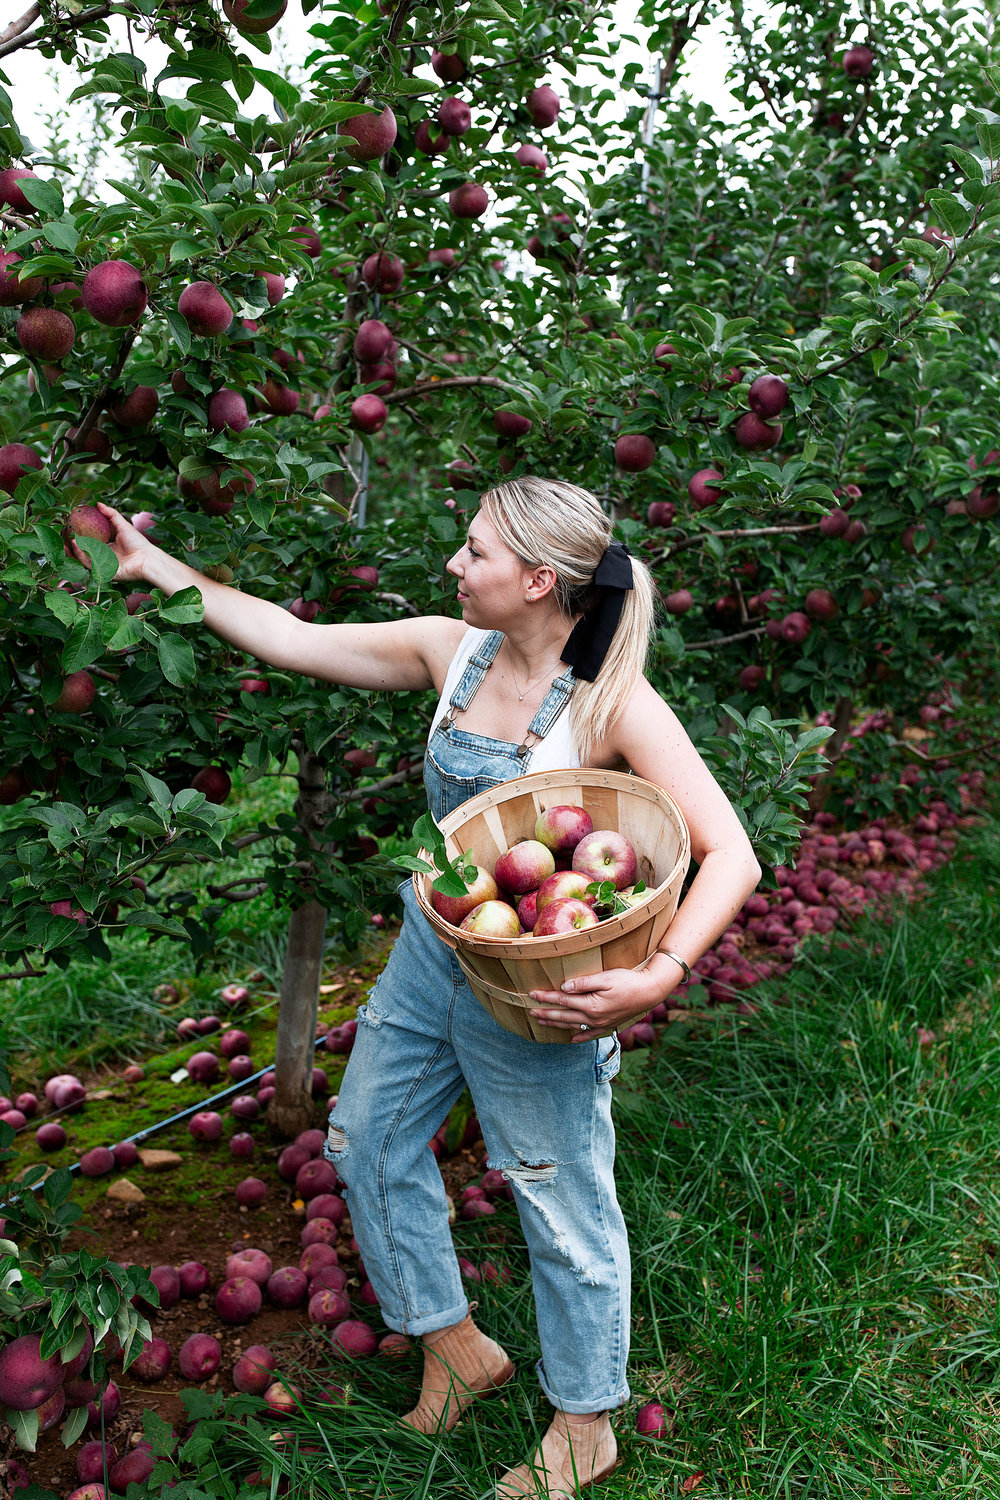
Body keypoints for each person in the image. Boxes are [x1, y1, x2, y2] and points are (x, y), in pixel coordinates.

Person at [89, 477, 760, 1499]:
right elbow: (286, 632)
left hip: (540, 991)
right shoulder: (449, 653)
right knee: (364, 1141)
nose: (454, 564)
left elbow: (732, 855)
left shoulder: (612, 706)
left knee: (556, 1192)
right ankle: (453, 1342)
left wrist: (657, 977)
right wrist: (156, 567)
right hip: (429, 953)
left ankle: (586, 1420)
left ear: (539, 580)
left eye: (476, 552)